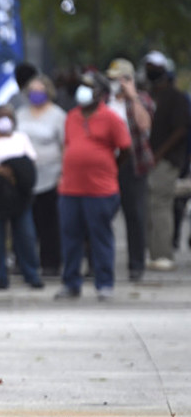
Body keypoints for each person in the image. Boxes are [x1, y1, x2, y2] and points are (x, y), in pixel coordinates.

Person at [55, 72, 131, 300]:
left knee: (100, 237)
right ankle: (71, 283)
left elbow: (125, 148)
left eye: (89, 87)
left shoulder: (111, 118)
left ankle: (104, 283)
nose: (83, 91)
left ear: (100, 94)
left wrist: (109, 166)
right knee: (70, 238)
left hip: (100, 190)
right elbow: (68, 147)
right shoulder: (71, 117)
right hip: (70, 189)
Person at [0, 105, 43, 290]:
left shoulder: (21, 139)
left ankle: (31, 274)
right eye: (0, 117)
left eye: (8, 116)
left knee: (26, 235)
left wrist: (10, 171)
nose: (4, 120)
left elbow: (29, 162)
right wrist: (2, 171)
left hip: (18, 196)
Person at [104, 58, 154, 282]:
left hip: (133, 165)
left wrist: (132, 96)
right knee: (101, 215)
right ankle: (99, 265)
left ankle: (136, 265)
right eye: (112, 79)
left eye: (120, 79)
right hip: (106, 165)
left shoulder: (142, 100)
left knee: (135, 215)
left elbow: (144, 125)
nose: (115, 83)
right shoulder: (103, 101)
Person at [15, 75, 66, 277]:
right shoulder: (20, 115)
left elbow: (64, 145)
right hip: (25, 179)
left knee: (49, 223)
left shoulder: (58, 115)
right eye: (32, 91)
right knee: (25, 223)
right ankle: (24, 262)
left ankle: (51, 263)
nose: (36, 94)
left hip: (50, 176)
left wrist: (63, 173)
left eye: (40, 90)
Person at [143, 51, 190, 271]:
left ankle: (163, 253)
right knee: (151, 205)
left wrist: (159, 153)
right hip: (150, 160)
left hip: (167, 160)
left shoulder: (176, 97)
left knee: (161, 204)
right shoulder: (149, 96)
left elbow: (180, 130)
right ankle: (154, 253)